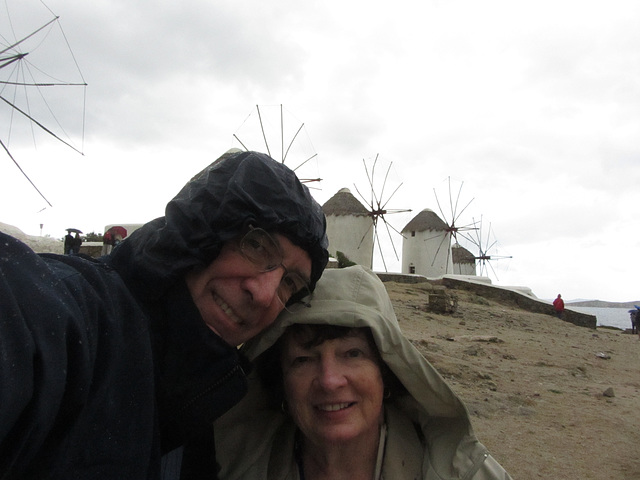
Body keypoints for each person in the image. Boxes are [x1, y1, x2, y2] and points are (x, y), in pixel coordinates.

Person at [0, 150, 329, 479]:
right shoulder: (77, 318)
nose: (266, 294)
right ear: (201, 227)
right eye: (257, 246)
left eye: (290, 282)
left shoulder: (205, 404)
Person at [214, 265, 512, 479]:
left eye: (352, 354)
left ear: (387, 370)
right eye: (303, 360)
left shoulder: (461, 473)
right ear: (280, 380)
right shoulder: (230, 465)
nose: (330, 381)